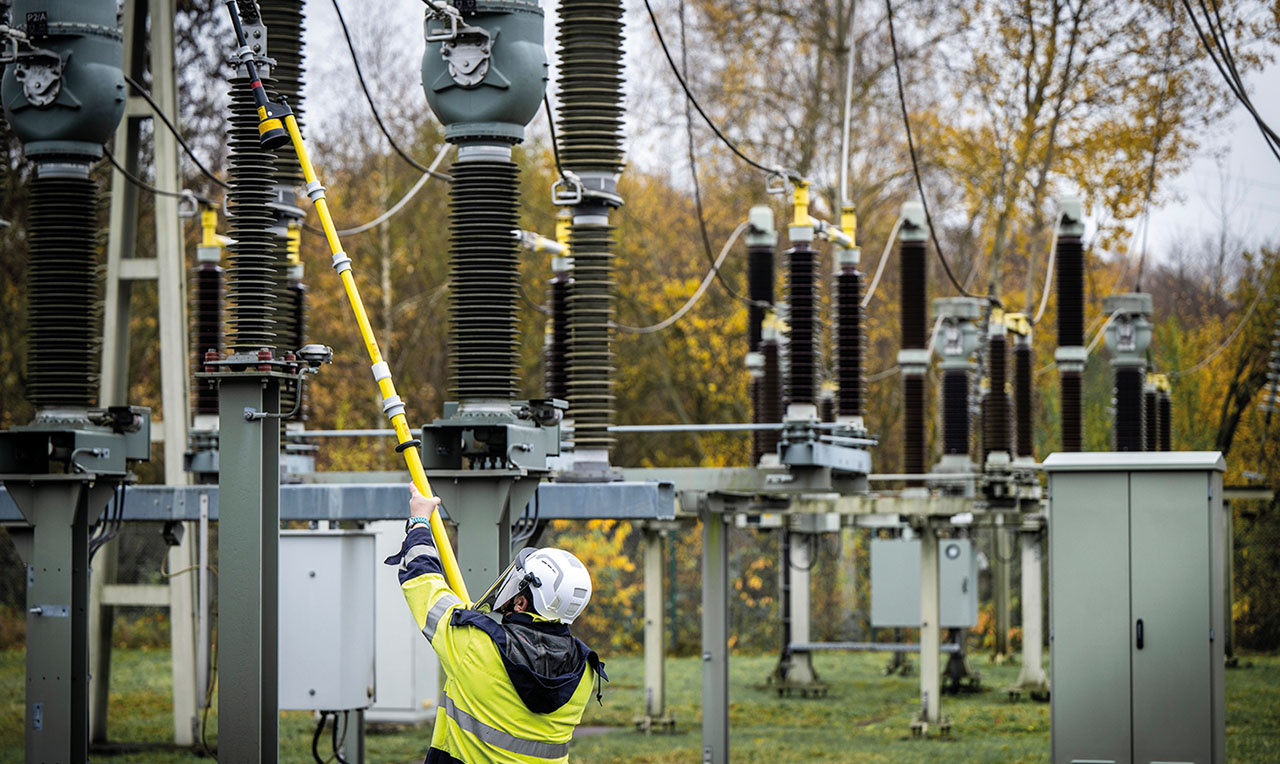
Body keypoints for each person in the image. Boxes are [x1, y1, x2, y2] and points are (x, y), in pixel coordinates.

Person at [384, 485, 607, 764]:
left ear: (522, 603)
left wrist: (418, 521)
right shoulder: (585, 672)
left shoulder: (474, 645)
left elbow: (422, 582)